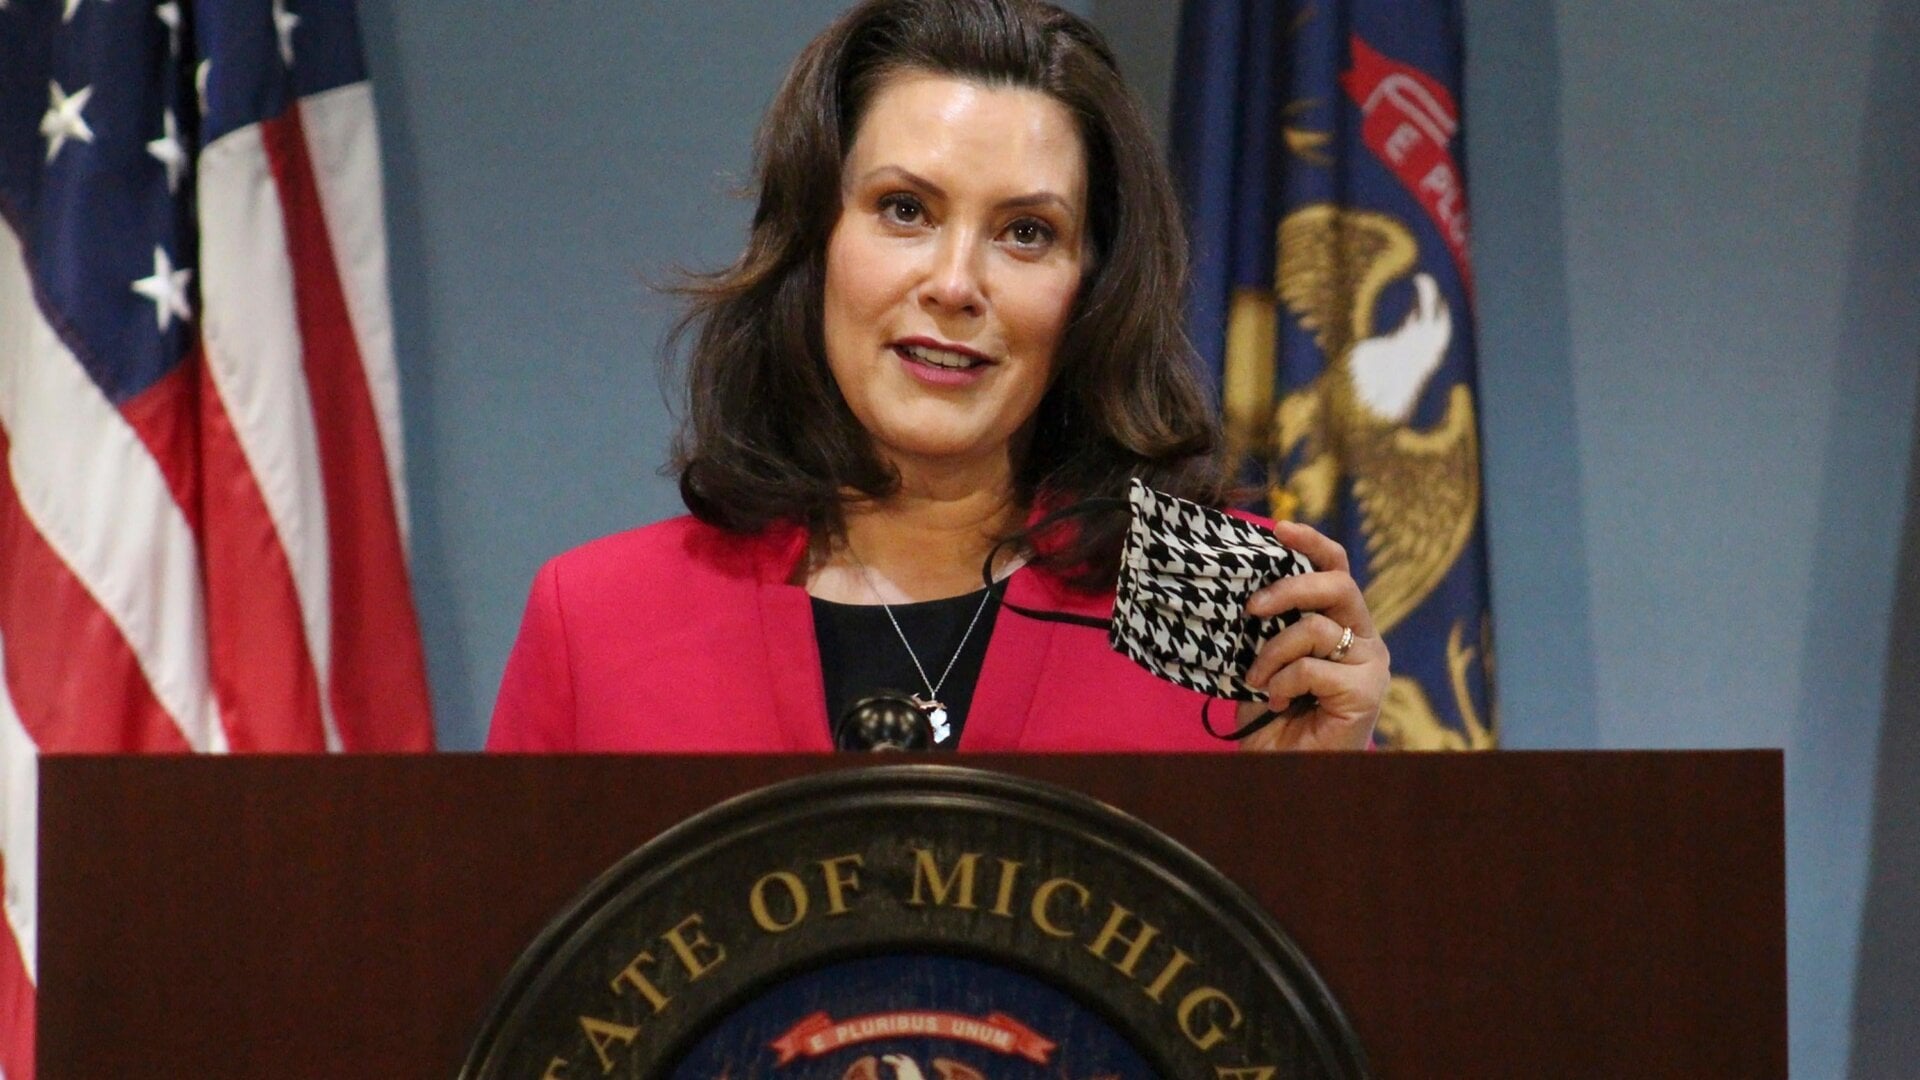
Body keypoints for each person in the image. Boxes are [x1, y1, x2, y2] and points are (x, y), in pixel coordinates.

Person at [486, 0, 1389, 753]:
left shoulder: (1225, 605)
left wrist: (1322, 796)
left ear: (1093, 285)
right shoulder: (600, 622)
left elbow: (1299, 918)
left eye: (1026, 232)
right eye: (905, 210)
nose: (955, 285)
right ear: (814, 242)